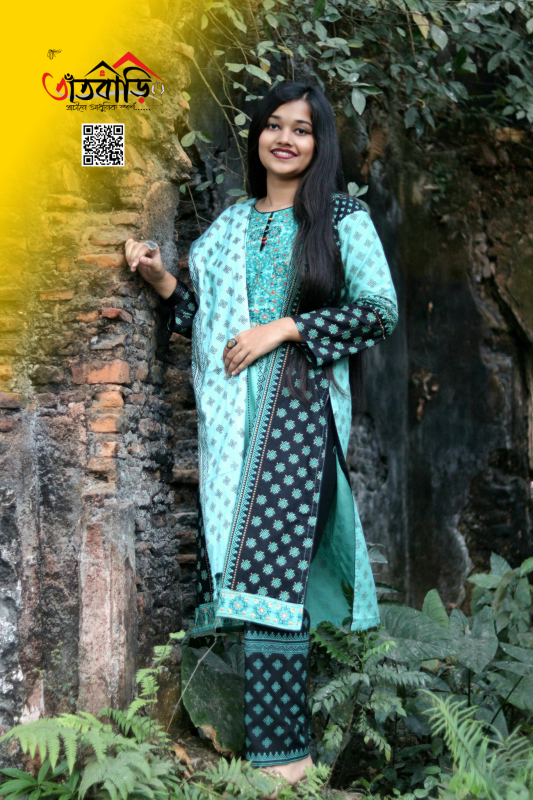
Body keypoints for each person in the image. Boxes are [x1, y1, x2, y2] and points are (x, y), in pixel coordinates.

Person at [125, 80, 398, 792]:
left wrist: (285, 327)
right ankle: (275, 758)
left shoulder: (340, 219)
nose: (285, 139)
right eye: (273, 125)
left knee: (272, 582)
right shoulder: (228, 227)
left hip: (298, 415)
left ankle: (284, 765)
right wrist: (159, 280)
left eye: (301, 129)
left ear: (319, 142)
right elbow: (202, 318)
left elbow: (378, 311)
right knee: (249, 585)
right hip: (231, 431)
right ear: (257, 137)